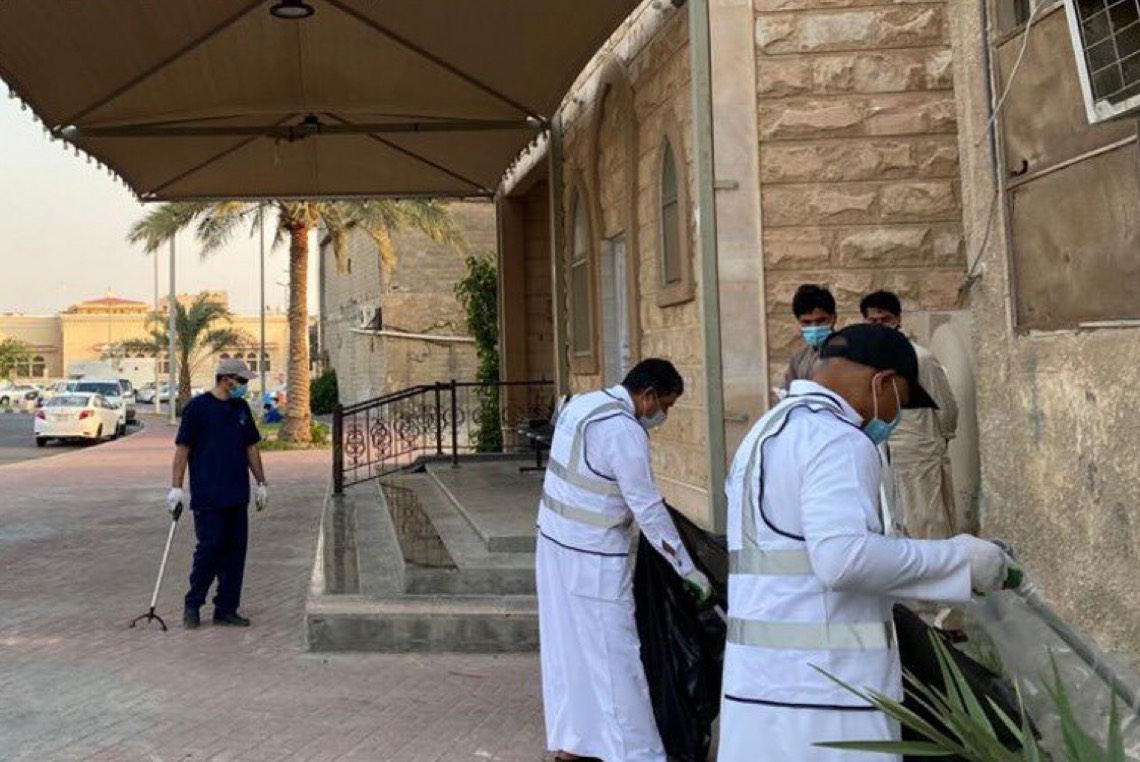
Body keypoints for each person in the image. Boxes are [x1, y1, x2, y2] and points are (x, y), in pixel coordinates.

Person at [719, 324, 1015, 761]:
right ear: (883, 383)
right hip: (828, 698)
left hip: (757, 690)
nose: (895, 417)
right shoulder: (836, 438)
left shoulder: (766, 431)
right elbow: (844, 560)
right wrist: (962, 560)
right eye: (901, 400)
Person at [536, 358, 713, 762]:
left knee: (568, 649)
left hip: (553, 544)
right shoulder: (623, 431)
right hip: (593, 557)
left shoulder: (582, 404)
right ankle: (637, 753)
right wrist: (688, 569)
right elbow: (647, 507)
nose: (663, 415)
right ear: (647, 394)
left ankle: (574, 742)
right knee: (616, 656)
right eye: (665, 405)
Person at [167, 358, 269, 630]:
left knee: (235, 554)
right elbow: (182, 449)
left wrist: (261, 483)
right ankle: (193, 603)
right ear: (226, 379)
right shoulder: (198, 409)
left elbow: (251, 447)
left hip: (237, 494)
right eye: (242, 381)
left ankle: (226, 608)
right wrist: (176, 488)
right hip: (209, 495)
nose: (244, 386)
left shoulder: (241, 408)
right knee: (210, 549)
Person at [860, 291, 960, 541]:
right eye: (873, 321)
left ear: (897, 320)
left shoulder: (921, 359)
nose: (879, 326)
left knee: (929, 521)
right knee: (891, 523)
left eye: (885, 319)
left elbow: (947, 408)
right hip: (883, 455)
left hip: (921, 453)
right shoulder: (863, 362)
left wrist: (938, 441)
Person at [783, 284, 838, 391]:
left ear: (833, 318)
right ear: (799, 322)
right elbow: (788, 390)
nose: (814, 327)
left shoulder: (847, 353)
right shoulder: (799, 357)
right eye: (807, 322)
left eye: (820, 321)